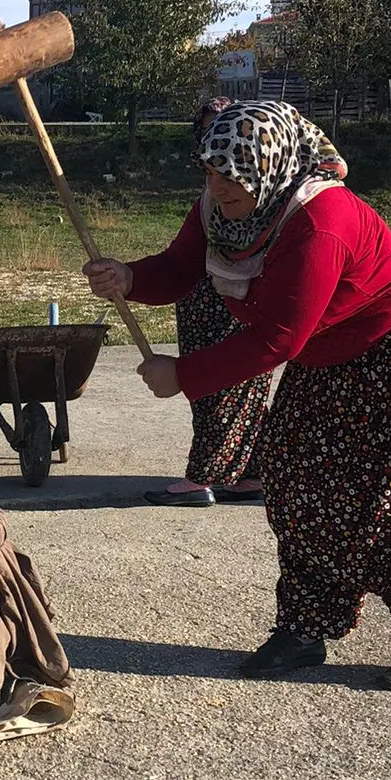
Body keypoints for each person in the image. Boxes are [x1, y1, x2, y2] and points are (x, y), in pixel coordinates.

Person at [84, 100, 391, 691]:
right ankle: (304, 629)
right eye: (210, 170)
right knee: (299, 476)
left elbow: (277, 336)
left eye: (231, 174)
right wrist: (129, 277)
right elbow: (179, 267)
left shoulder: (320, 219)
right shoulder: (218, 208)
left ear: (269, 168)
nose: (217, 185)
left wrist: (186, 375)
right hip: (332, 349)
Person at [148, 97, 270, 508]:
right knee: (223, 384)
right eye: (208, 127)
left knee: (228, 382)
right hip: (202, 298)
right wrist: (128, 277)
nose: (214, 135)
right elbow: (178, 260)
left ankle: (206, 475)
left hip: (238, 299)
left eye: (224, 125)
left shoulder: (265, 195)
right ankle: (248, 474)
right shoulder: (209, 196)